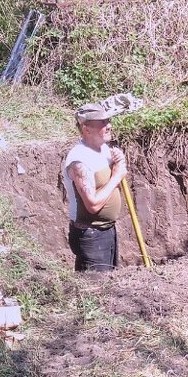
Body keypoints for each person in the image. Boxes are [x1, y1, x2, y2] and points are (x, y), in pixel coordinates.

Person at [62, 103, 128, 271]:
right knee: (95, 290)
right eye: (102, 122)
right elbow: (92, 205)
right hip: (91, 236)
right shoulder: (79, 160)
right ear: (86, 128)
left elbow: (107, 182)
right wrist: (117, 176)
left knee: (109, 286)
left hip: (107, 231)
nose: (109, 125)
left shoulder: (103, 149)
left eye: (108, 120)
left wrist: (117, 162)